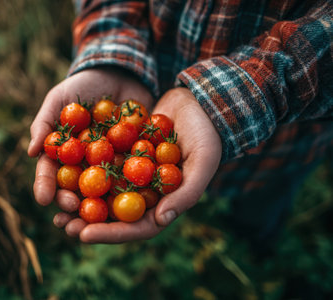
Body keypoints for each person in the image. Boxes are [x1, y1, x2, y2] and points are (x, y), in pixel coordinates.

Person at [28, 0, 333, 245]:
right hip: (159, 98)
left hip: (277, 152)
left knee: (260, 210)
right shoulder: (122, 150)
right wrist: (113, 50)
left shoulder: (141, 154)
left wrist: (237, 96)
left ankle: (255, 245)